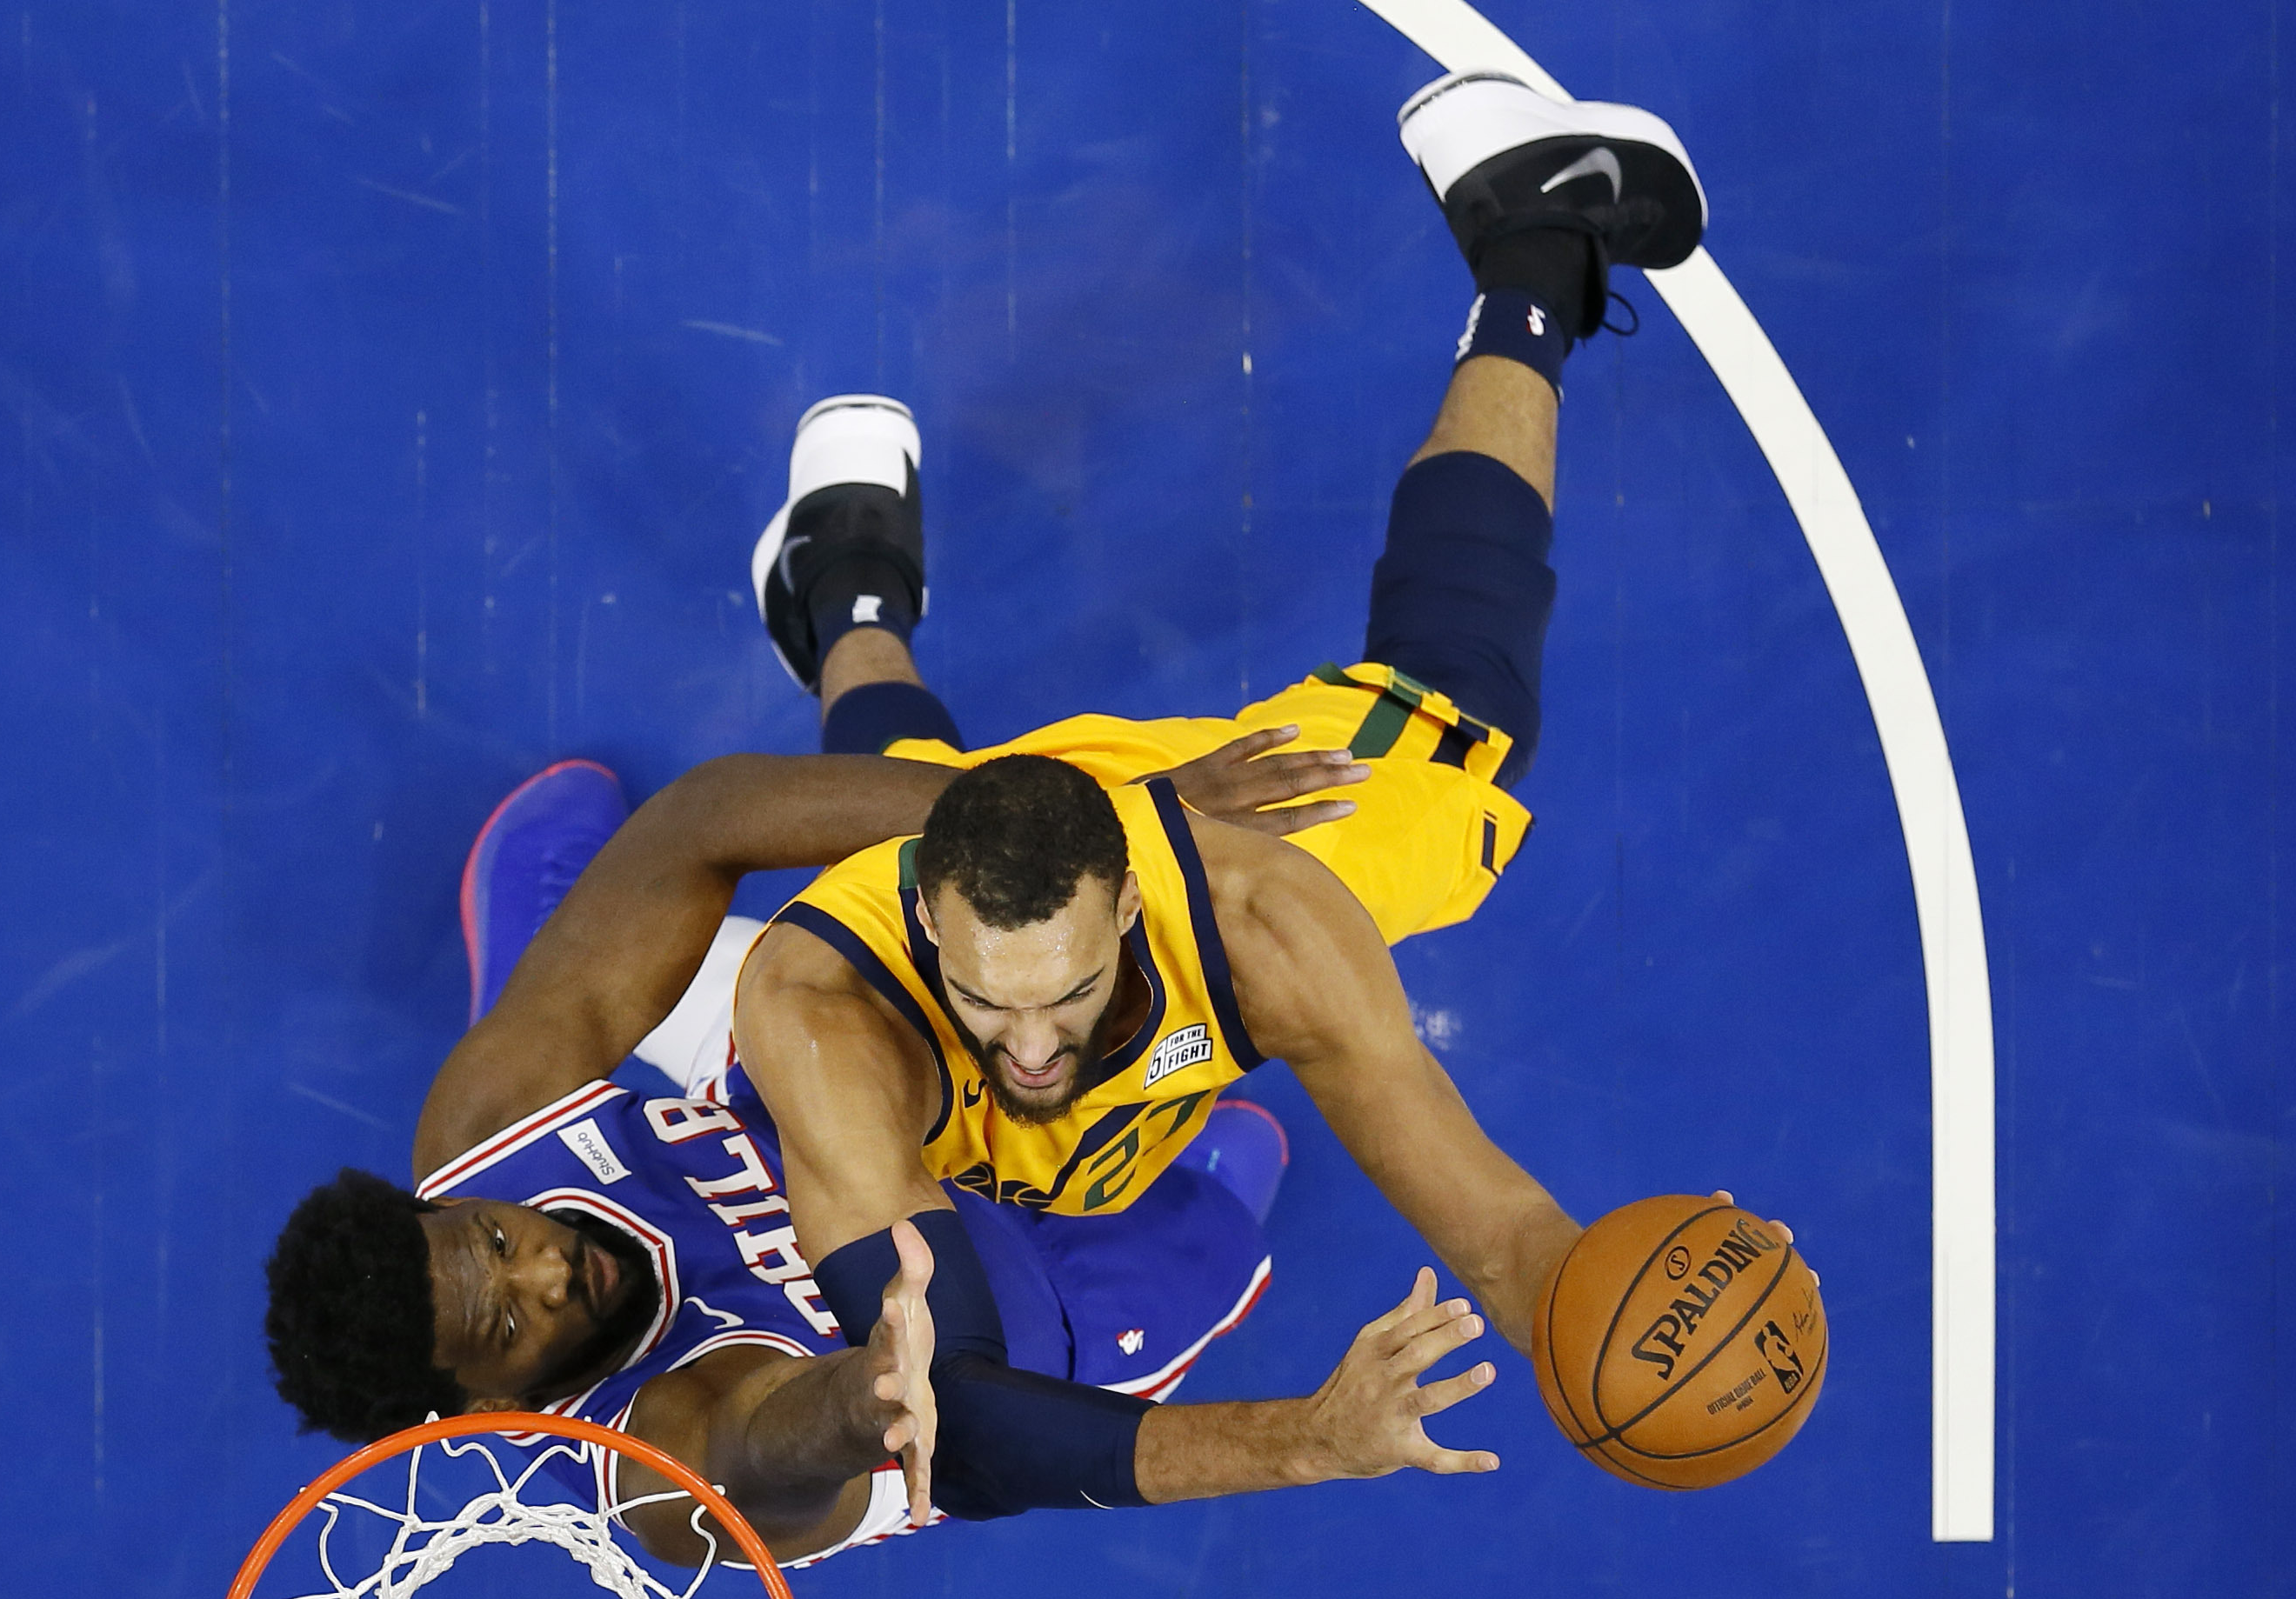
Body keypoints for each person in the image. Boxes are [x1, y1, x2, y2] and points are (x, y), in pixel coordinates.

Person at [725, 73, 1782, 1517]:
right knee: (906, 788)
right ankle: (844, 580)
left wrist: (1617, 1312)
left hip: (1175, 833)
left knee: (1457, 719)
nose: (1031, 1045)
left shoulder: (1264, 922)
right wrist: (1309, 1437)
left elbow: (1503, 1234)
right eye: (990, 1001)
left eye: (1072, 990)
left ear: (1136, 895)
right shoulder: (823, 1020)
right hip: (993, 898)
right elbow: (954, 1430)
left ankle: (1530, 248)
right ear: (919, 921)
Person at [262, 736, 1497, 1569]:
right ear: (478, 1404)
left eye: (491, 1238)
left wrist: (1116, 831)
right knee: (1217, 1215)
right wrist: (867, 1394)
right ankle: (1185, 1207)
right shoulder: (659, 1475)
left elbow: (701, 822)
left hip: (823, 1109)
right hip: (1023, 1323)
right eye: (503, 1323)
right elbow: (766, 1438)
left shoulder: (482, 1132)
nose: (542, 1270)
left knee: (911, 930)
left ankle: (555, 928)